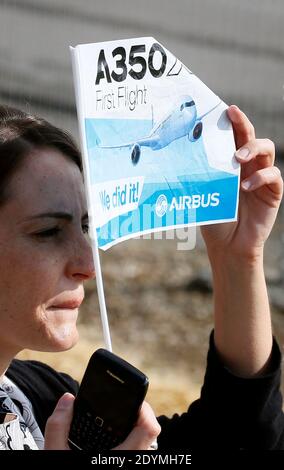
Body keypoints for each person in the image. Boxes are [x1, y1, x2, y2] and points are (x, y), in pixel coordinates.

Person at [0, 104, 283, 451]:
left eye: (84, 226)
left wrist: (238, 258)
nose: (88, 264)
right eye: (48, 231)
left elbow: (234, 437)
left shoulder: (39, 398)